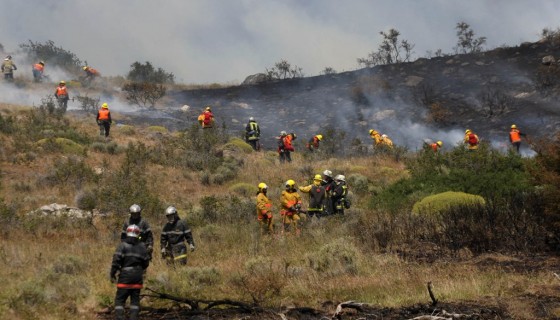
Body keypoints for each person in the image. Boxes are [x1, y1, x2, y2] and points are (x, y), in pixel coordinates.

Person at [110, 224, 150, 320]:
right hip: (137, 277)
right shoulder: (142, 247)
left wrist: (112, 274)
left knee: (119, 301)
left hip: (125, 277)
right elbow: (146, 263)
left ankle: (120, 318)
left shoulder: (122, 246)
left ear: (127, 233)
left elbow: (116, 261)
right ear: (138, 234)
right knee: (135, 302)